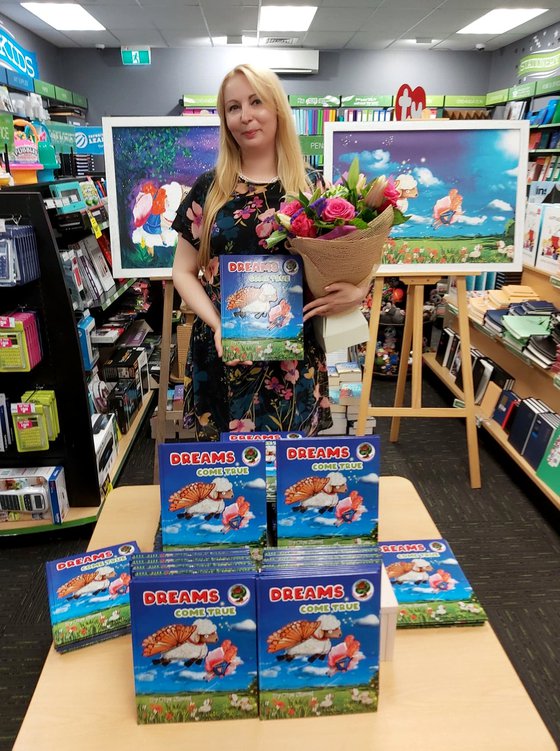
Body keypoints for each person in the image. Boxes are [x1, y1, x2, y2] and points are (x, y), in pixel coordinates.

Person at [171, 63, 369, 440]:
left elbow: (343, 264)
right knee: (227, 484)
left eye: (256, 101)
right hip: (223, 353)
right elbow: (182, 271)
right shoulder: (209, 189)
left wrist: (357, 292)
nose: (245, 116)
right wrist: (218, 325)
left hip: (291, 359)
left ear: (277, 108)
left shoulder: (313, 188)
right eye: (232, 107)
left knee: (287, 479)